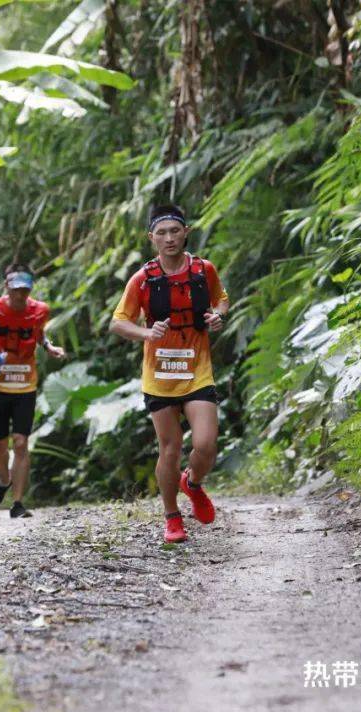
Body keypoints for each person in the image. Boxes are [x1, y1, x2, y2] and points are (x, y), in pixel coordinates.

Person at [109, 205, 229, 542]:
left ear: (186, 232)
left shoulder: (203, 270)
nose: (169, 238)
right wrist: (146, 333)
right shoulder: (143, 279)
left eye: (175, 231)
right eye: (161, 233)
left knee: (205, 444)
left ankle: (192, 483)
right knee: (170, 448)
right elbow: (117, 322)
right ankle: (172, 517)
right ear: (152, 238)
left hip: (197, 371)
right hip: (159, 376)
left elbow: (221, 298)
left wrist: (218, 316)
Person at [0, 264, 66, 518]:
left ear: (30, 288)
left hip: (25, 385)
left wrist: (48, 347)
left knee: (20, 443)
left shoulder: (40, 310)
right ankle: (3, 480)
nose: (20, 295)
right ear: (6, 287)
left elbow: (38, 332)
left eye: (25, 290)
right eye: (15, 290)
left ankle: (18, 504)